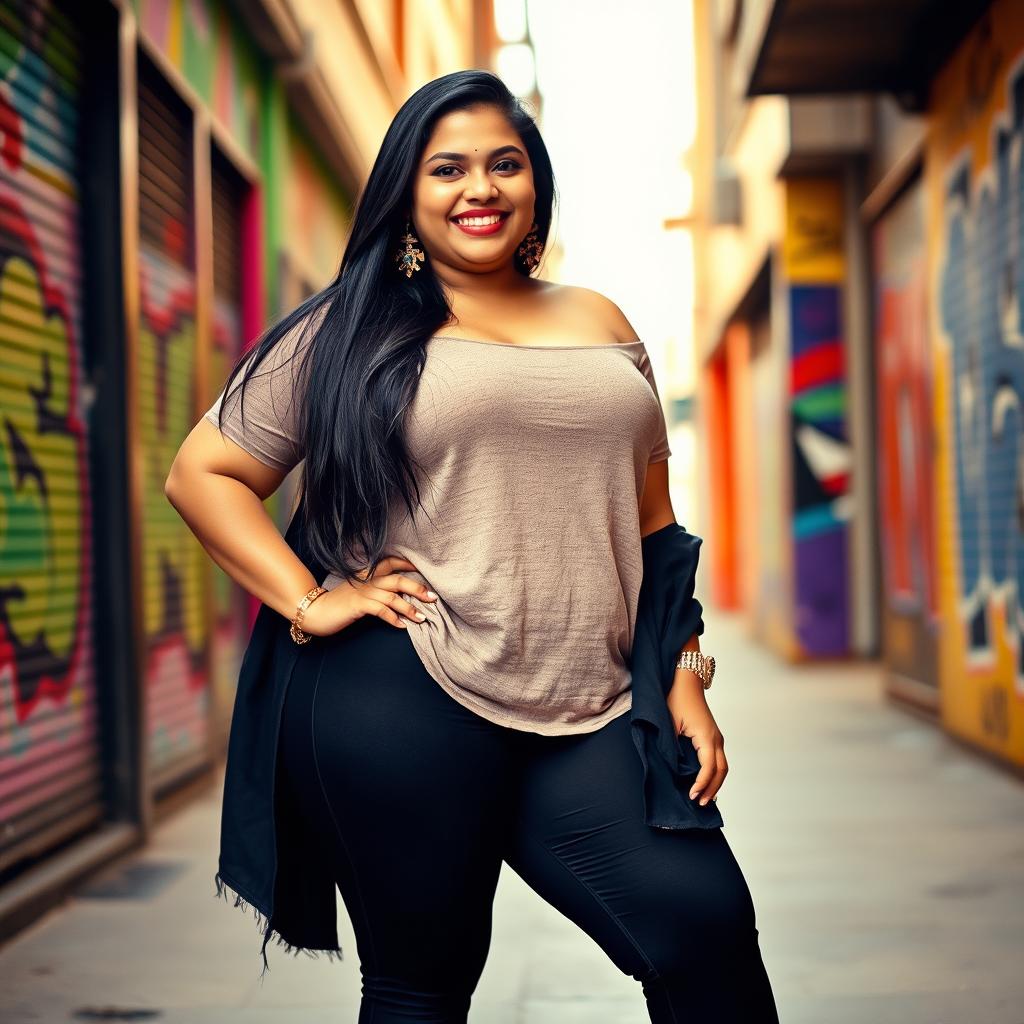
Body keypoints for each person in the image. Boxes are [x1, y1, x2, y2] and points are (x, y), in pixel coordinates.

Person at [167, 69, 779, 1024]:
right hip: (403, 696)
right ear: (409, 194)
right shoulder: (350, 329)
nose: (479, 188)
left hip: (592, 707)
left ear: (534, 183)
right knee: (424, 986)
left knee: (704, 928)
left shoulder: (601, 321)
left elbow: (657, 531)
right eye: (446, 168)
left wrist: (685, 676)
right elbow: (203, 473)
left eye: (505, 164)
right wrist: (310, 598)